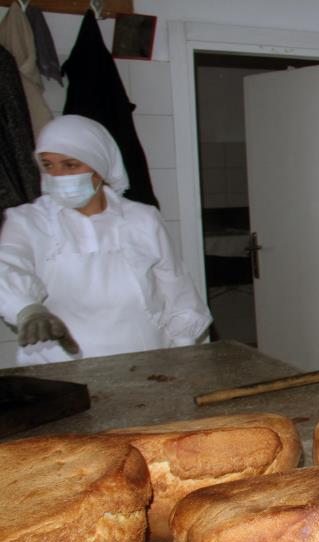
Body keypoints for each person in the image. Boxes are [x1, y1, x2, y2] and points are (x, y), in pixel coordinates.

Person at [0, 115, 212, 365]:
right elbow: (7, 265)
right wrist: (26, 309)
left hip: (145, 363)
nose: (57, 175)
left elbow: (176, 290)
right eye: (48, 165)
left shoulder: (142, 219)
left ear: (99, 166)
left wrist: (183, 353)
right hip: (59, 368)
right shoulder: (28, 221)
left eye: (70, 165)